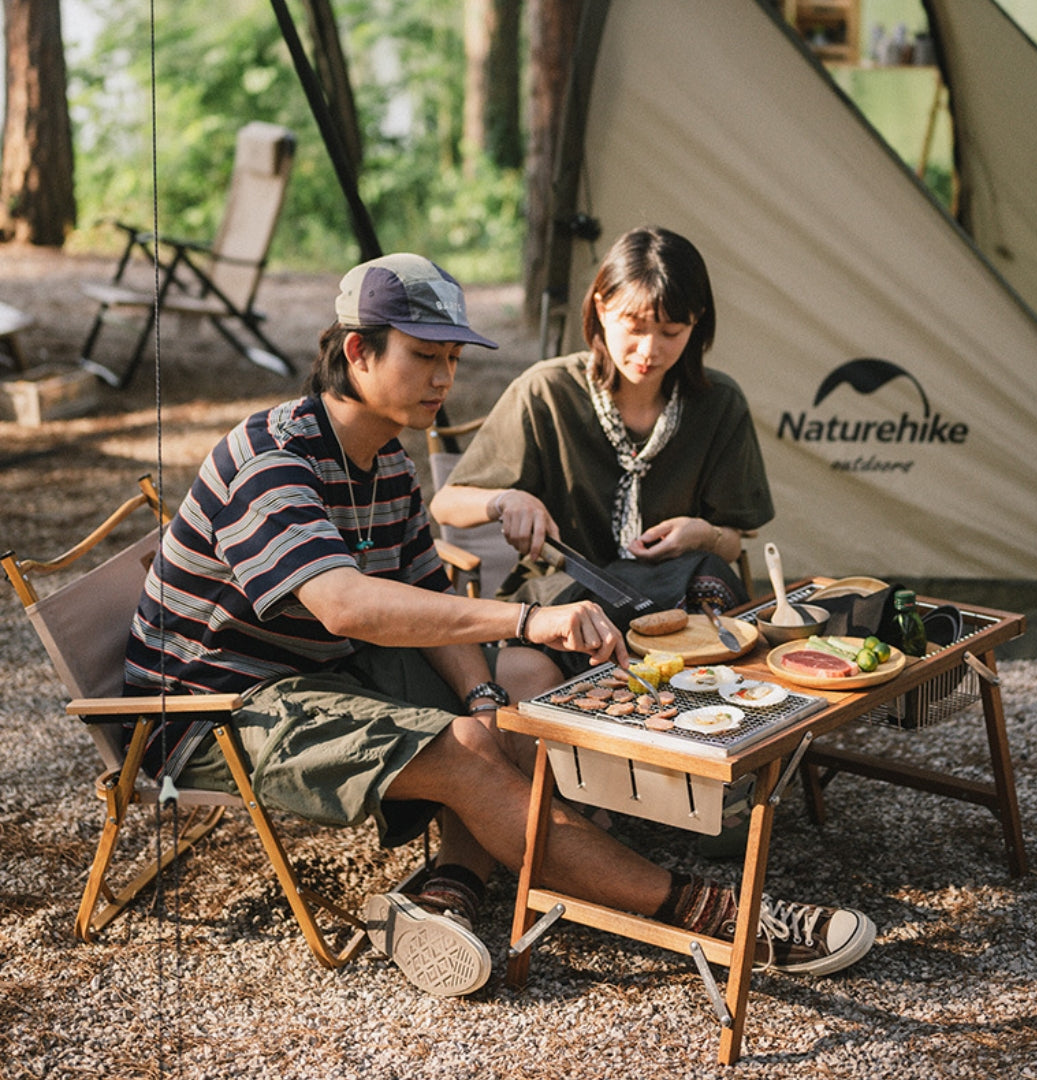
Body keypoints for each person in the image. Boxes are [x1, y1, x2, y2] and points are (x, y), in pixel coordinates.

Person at [125, 252, 874, 998]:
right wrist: (528, 616)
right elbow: (347, 605)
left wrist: (487, 699)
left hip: (322, 671)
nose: (445, 379)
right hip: (216, 708)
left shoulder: (385, 463)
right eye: (424, 356)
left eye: (452, 357)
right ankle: (712, 914)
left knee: (514, 689)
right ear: (358, 351)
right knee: (466, 745)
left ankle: (446, 888)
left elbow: (423, 587)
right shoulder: (272, 457)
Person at [430, 225, 774, 657]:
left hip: (675, 599)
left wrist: (702, 534)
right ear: (602, 307)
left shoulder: (718, 404)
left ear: (696, 322)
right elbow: (445, 503)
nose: (649, 350)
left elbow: (731, 542)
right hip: (567, 596)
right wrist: (506, 501)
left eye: (671, 332)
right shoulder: (547, 392)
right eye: (634, 326)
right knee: (542, 657)